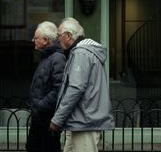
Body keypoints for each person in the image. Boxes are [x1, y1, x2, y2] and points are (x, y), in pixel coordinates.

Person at [49, 17, 115, 152]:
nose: (57, 39)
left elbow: (75, 88)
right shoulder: (83, 52)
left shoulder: (81, 53)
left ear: (68, 36)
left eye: (59, 35)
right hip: (81, 121)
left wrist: (57, 119)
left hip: (84, 122)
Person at [26, 21, 66, 152]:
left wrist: (39, 105)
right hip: (39, 117)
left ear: (45, 40)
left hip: (47, 119)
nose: (33, 40)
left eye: (36, 38)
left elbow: (58, 90)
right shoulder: (47, 57)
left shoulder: (57, 58)